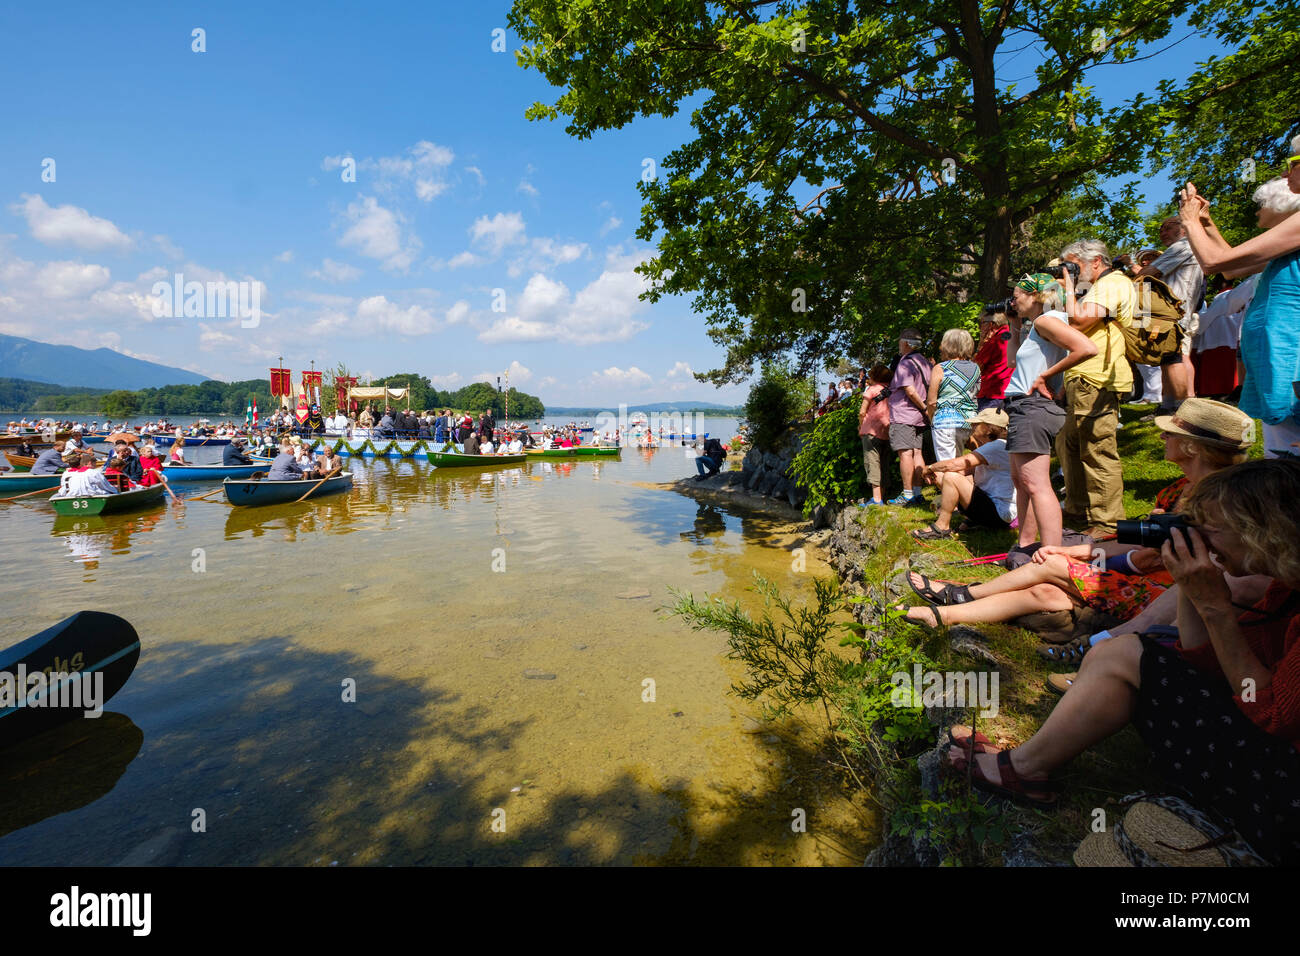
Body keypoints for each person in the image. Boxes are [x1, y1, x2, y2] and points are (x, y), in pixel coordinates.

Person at [944, 459, 1300, 865]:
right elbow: (1203, 662)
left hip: (1283, 795)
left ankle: (1024, 768)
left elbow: (1272, 714)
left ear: (1263, 531)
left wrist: (1217, 608)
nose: (1201, 539)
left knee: (1127, 653)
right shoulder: (1283, 589)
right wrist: (1192, 589)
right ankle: (1028, 761)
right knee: (1125, 650)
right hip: (1268, 748)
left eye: (1211, 530)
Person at [902, 398, 1255, 632]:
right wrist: (1075, 554)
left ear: (1193, 446)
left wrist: (1071, 558)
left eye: (1172, 432)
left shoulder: (1218, 502)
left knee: (1051, 568)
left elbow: (1146, 559)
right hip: (1149, 582)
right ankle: (945, 615)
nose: (1162, 435)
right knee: (1044, 592)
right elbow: (1133, 545)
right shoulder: (1178, 490)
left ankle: (962, 594)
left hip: (1170, 599)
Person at [1180, 159, 1300, 460]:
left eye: (1292, 163)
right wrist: (1205, 223)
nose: (1284, 173)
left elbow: (1213, 263)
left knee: (1288, 445)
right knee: (1282, 440)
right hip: (1277, 347)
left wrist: (1190, 221)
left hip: (1290, 348)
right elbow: (1232, 266)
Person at [1002, 274, 1097, 548]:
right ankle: (1025, 545)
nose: (1013, 300)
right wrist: (1015, 326)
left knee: (1035, 484)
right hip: (1023, 407)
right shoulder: (1040, 323)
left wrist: (1045, 376)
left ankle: (1051, 552)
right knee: (1022, 481)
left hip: (1031, 406)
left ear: (1035, 295)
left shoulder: (1047, 320)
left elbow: (1086, 348)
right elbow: (1013, 362)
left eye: (1017, 294)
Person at [1058, 239, 1138, 536]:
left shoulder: (1114, 282)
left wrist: (1066, 285)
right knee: (1070, 446)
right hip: (1083, 378)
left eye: (1074, 266)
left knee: (1097, 451)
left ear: (1096, 261)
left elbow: (1077, 322)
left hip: (1098, 379)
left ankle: (1107, 524)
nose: (1071, 272)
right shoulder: (1099, 288)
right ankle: (1078, 513)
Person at [1134, 216, 1205, 410]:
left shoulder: (1183, 246)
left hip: (1175, 314)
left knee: (1176, 358)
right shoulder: (1183, 248)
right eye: (1161, 229)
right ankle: (1167, 406)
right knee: (1167, 358)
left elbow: (1147, 272)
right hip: (1174, 313)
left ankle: (1183, 406)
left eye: (1168, 228)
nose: (1163, 233)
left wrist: (1131, 281)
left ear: (1183, 228)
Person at [911, 407, 1015, 539]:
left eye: (977, 423)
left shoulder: (996, 446)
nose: (972, 425)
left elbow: (956, 464)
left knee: (951, 477)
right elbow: (964, 470)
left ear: (988, 428)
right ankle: (972, 520)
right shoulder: (998, 445)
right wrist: (937, 474)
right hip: (995, 510)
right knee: (945, 476)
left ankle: (942, 526)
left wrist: (930, 468)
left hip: (998, 514)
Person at [886, 328, 932, 505]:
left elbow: (909, 390)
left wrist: (923, 407)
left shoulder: (905, 364)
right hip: (919, 417)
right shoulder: (925, 363)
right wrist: (925, 410)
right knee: (917, 452)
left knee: (905, 453)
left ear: (905, 343)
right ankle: (918, 492)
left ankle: (907, 495)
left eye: (899, 342)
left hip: (904, 413)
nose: (899, 346)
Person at [926, 328, 981, 462]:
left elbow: (931, 402)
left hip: (945, 422)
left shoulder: (940, 368)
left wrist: (932, 419)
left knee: (947, 467)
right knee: (958, 464)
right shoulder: (976, 368)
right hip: (969, 423)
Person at [857, 364, 892, 505]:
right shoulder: (891, 391)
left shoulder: (871, 390)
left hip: (870, 430)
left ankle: (876, 500)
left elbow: (862, 411)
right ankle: (881, 496)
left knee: (872, 463)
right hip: (887, 431)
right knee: (884, 464)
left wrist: (860, 425)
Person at [973, 310, 1013, 411]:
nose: (979, 328)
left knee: (986, 426)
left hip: (991, 395)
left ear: (991, 324)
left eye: (981, 323)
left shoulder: (995, 341)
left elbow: (975, 368)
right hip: (1008, 393)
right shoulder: (1012, 335)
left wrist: (981, 344)